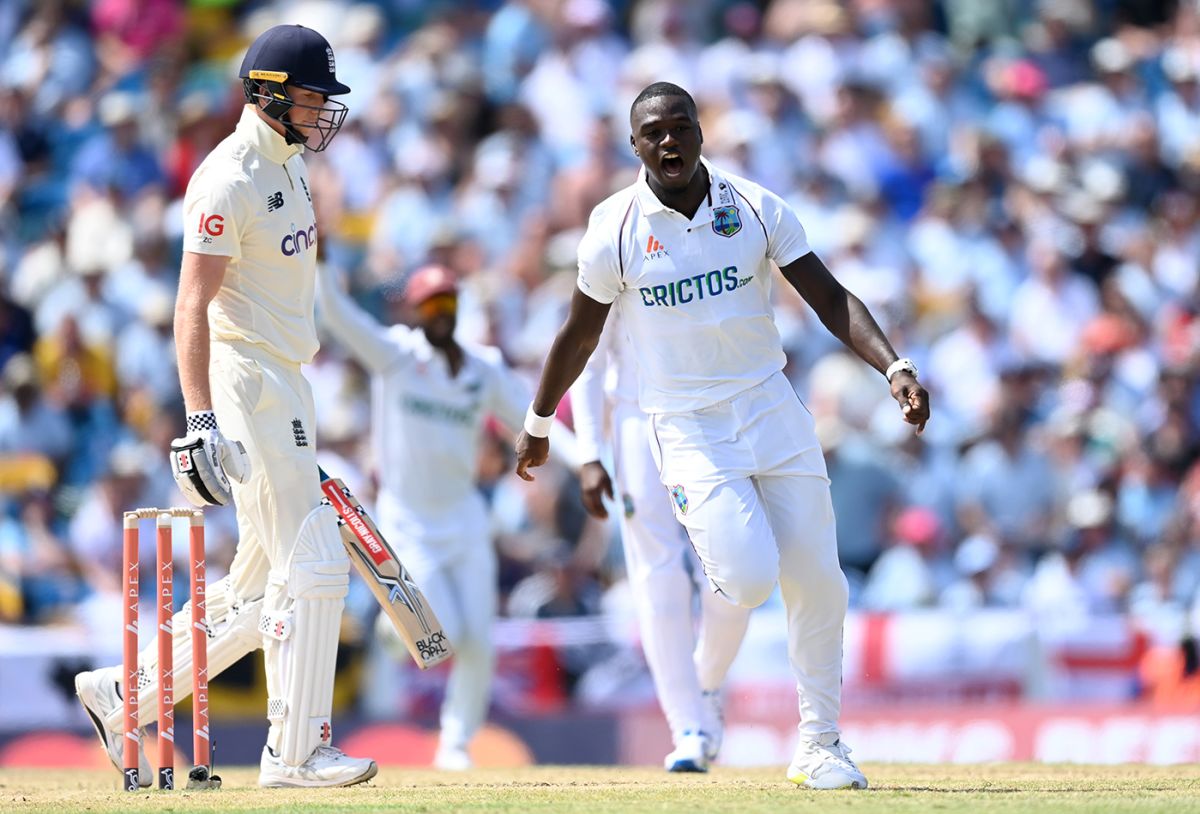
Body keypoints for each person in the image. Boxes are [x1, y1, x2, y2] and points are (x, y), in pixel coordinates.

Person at [514, 82, 930, 790]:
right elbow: (580, 337)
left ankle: (821, 743)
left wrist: (894, 365)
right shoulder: (613, 228)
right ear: (635, 146)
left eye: (681, 127)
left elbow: (829, 298)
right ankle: (701, 687)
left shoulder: (756, 206)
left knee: (818, 582)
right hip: (685, 425)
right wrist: (543, 424)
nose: (669, 142)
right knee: (745, 574)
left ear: (702, 132)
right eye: (654, 133)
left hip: (772, 406)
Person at [74, 25, 378, 788]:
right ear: (269, 94)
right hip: (246, 384)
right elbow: (191, 306)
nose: (322, 114)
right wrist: (201, 418)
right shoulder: (226, 177)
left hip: (287, 380)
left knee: (255, 589)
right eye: (311, 98)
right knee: (314, 560)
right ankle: (296, 753)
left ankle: (123, 695)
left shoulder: (289, 164)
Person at [316, 262, 579, 770]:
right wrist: (325, 264)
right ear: (416, 312)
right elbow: (340, 318)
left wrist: (586, 462)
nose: (440, 312)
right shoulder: (396, 354)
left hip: (465, 517)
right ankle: (397, 631)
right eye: (431, 304)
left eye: (448, 302)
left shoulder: (482, 369)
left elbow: (531, 419)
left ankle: (456, 742)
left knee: (479, 638)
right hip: (409, 520)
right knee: (449, 633)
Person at [569, 310, 751, 772]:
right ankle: (687, 725)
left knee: (733, 568)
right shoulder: (608, 237)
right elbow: (587, 352)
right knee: (657, 572)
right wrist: (590, 451)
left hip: (711, 412)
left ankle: (706, 680)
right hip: (636, 416)